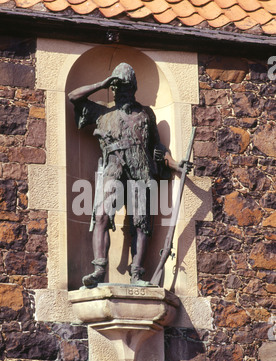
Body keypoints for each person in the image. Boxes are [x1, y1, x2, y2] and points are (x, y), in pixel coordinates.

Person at [68, 63, 192, 288]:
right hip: (112, 169)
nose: (120, 91)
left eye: (125, 87)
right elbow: (74, 97)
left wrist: (176, 165)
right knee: (101, 216)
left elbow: (158, 149)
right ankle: (98, 270)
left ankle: (137, 274)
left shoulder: (146, 114)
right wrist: (102, 83)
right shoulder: (102, 112)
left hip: (141, 170)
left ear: (133, 88)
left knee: (141, 223)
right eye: (116, 87)